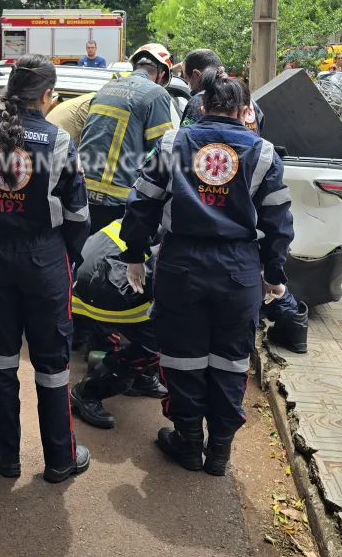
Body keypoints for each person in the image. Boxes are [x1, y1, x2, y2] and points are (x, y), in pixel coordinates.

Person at [120, 68, 293, 476]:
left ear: (202, 105)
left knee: (183, 357)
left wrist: (133, 253)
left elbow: (141, 202)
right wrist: (274, 272)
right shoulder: (263, 152)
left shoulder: (172, 142)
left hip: (182, 265)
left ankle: (187, 440)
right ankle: (219, 451)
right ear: (243, 109)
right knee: (232, 360)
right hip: (238, 269)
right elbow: (278, 222)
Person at [0, 55, 92, 483]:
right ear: (47, 96)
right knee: (52, 366)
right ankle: (59, 460)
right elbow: (78, 216)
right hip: (45, 261)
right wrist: (65, 258)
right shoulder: (59, 141)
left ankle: (4, 453)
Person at [69, 220, 165, 429]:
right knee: (159, 343)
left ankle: (139, 378)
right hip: (100, 286)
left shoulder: (162, 210)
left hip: (93, 272)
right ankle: (87, 392)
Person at [79, 44, 173, 233]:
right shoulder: (156, 93)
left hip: (82, 191)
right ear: (161, 74)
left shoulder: (107, 87)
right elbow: (164, 150)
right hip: (118, 199)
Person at [180, 48, 264, 134]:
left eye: (187, 79)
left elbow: (184, 140)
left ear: (196, 74)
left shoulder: (198, 101)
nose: (189, 85)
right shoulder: (249, 100)